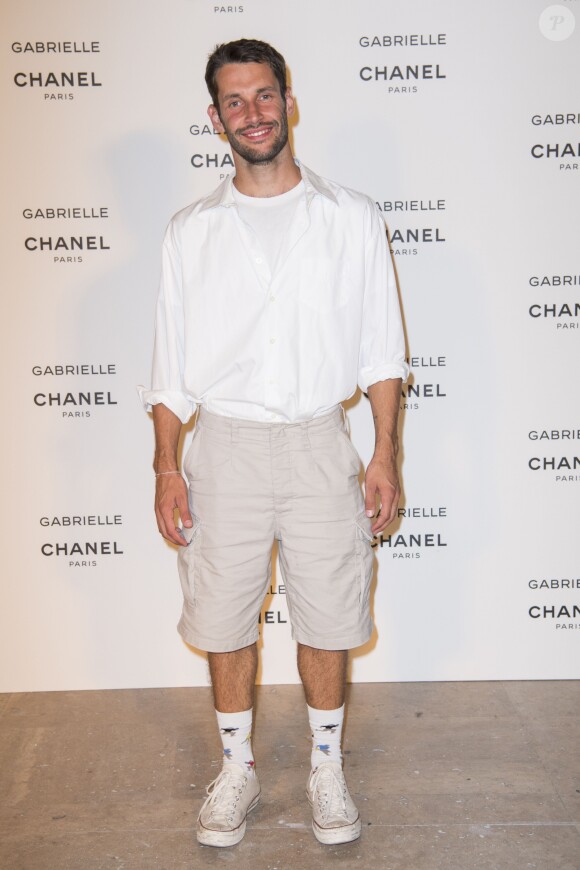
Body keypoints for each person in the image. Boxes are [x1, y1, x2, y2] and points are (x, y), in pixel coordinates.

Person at [139, 38, 408, 848]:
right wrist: (164, 467)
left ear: (288, 101)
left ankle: (326, 767)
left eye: (264, 96)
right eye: (234, 101)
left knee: (328, 613)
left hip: (322, 443)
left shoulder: (351, 217)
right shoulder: (190, 231)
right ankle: (238, 770)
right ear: (215, 117)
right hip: (224, 448)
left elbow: (382, 354)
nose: (251, 113)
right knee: (224, 618)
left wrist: (386, 452)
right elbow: (168, 371)